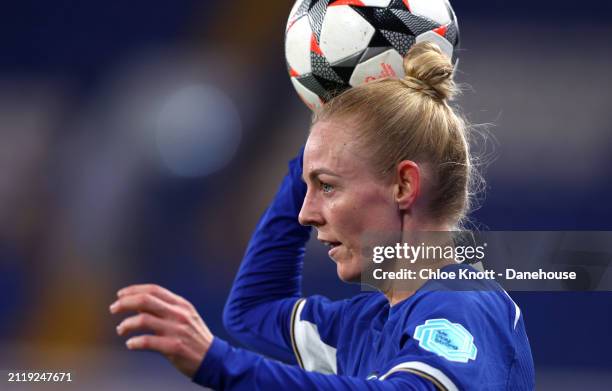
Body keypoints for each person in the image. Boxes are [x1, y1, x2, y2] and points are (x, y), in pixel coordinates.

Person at [110, 42, 535, 390]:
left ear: (404, 187)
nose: (305, 214)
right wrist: (329, 132)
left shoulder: (466, 305)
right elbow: (253, 311)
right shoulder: (364, 325)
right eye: (308, 186)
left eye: (327, 187)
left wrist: (217, 362)